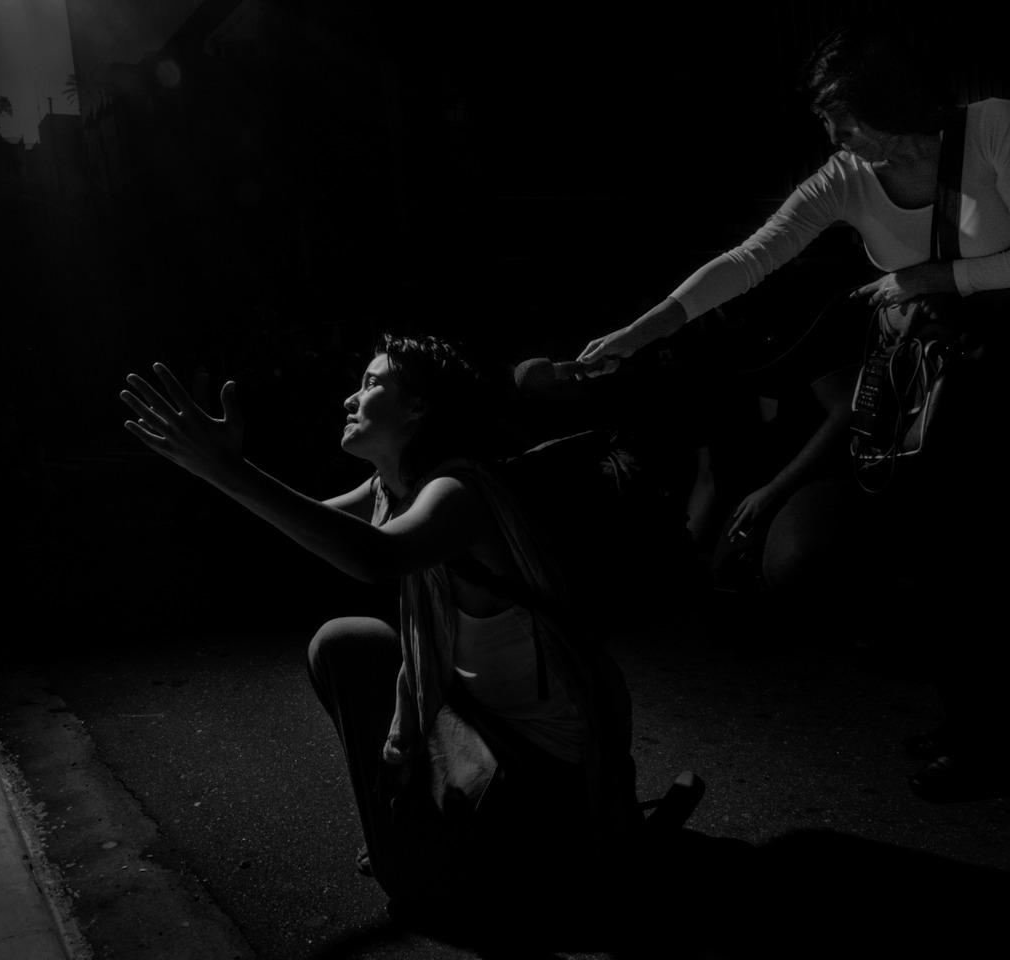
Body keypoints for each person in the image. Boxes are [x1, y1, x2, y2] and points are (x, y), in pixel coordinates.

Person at [576, 24, 1008, 801]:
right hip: (940, 388)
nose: (834, 135)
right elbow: (750, 257)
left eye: (842, 115)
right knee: (943, 562)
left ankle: (985, 732)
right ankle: (974, 721)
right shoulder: (848, 177)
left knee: (981, 562)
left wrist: (938, 275)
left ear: (891, 100)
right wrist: (643, 332)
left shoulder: (995, 130)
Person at [120, 333, 641, 934]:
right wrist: (211, 469)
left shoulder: (458, 490)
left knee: (346, 643)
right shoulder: (387, 491)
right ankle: (434, 845)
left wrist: (229, 470)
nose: (351, 397)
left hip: (546, 779)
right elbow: (293, 530)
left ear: (418, 407)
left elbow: (372, 558)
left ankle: (426, 867)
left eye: (371, 385)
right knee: (354, 643)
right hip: (500, 747)